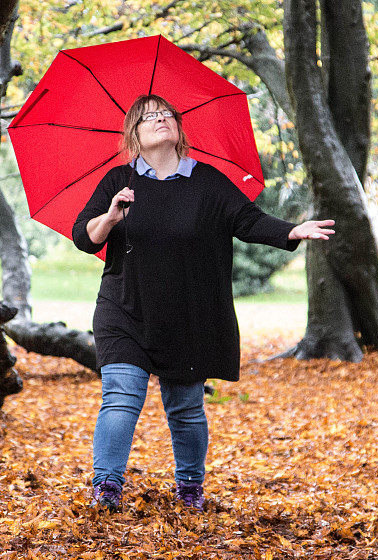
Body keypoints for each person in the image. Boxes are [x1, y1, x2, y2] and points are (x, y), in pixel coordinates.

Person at [72, 94, 334, 512]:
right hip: (125, 308)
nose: (160, 119)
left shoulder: (207, 181)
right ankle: (106, 487)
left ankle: (190, 487)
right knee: (121, 396)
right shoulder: (118, 182)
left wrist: (291, 231)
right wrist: (110, 217)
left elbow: (248, 221)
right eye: (148, 116)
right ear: (134, 135)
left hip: (188, 315)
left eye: (167, 113)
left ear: (179, 128)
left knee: (186, 408)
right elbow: (84, 238)